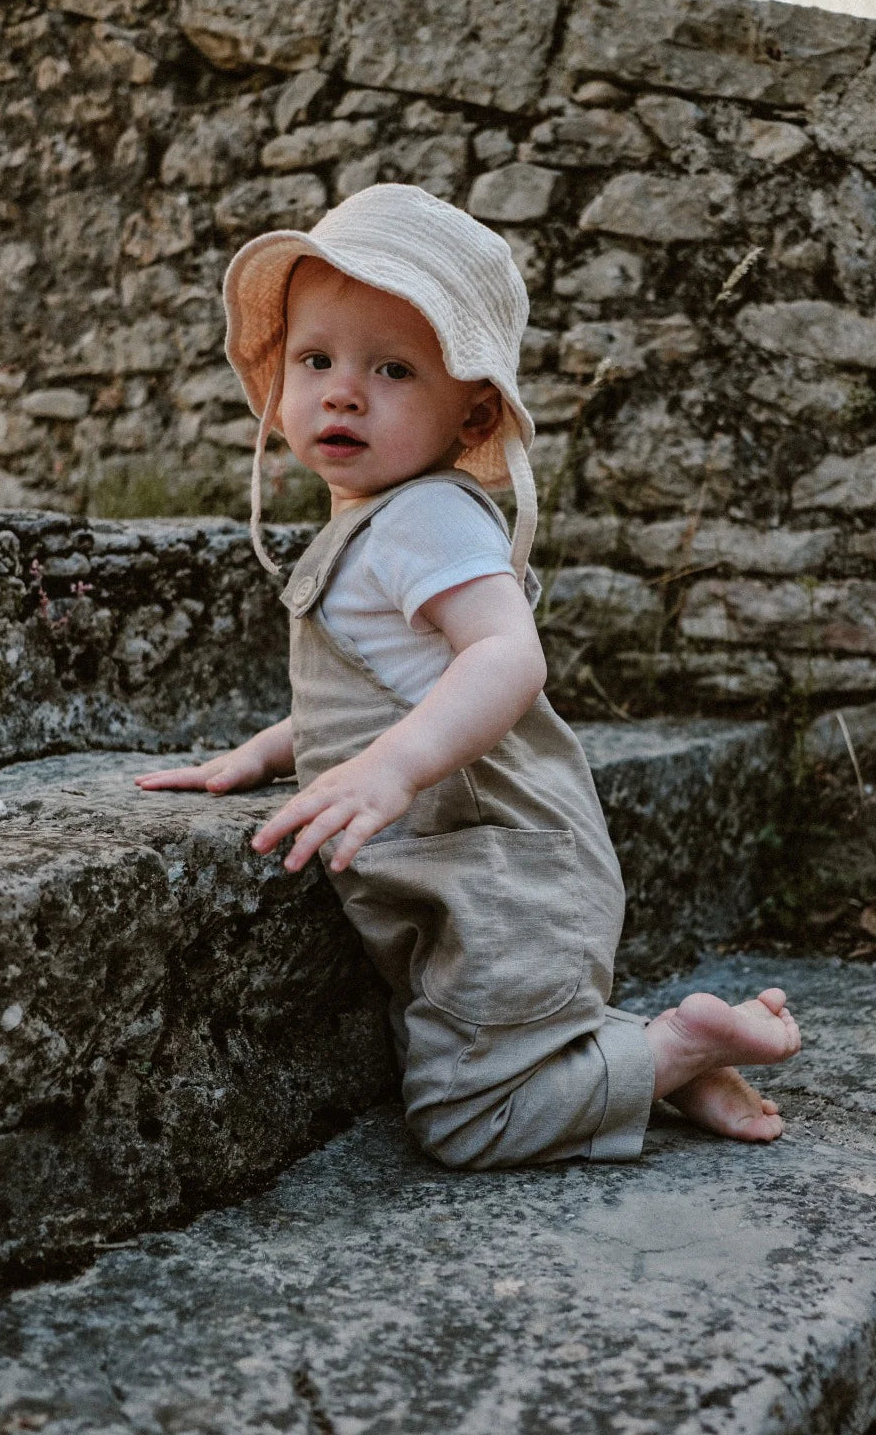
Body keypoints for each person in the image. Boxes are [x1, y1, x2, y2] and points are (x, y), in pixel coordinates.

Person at [136, 183, 801, 1169]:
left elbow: (505, 653)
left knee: (466, 1115)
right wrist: (269, 749)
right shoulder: (376, 518)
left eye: (392, 368)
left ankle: (671, 1046)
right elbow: (381, 681)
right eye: (316, 359)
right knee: (513, 1047)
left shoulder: (428, 518)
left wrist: (393, 769)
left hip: (498, 870)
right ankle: (654, 1065)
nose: (343, 390)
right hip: (473, 865)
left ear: (472, 409)